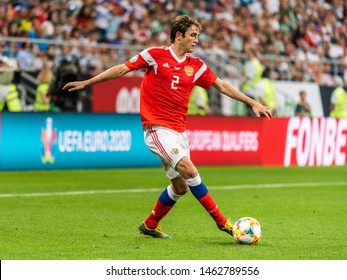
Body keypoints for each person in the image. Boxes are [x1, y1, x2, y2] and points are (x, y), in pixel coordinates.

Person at [63, 15, 272, 239]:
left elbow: (220, 85)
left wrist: (251, 102)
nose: (196, 40)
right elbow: (122, 69)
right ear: (179, 35)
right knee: (190, 170)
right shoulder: (154, 55)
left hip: (179, 132)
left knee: (181, 187)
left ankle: (150, 225)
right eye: (193, 35)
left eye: (198, 36)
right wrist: (88, 82)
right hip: (157, 129)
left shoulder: (196, 65)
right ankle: (223, 223)